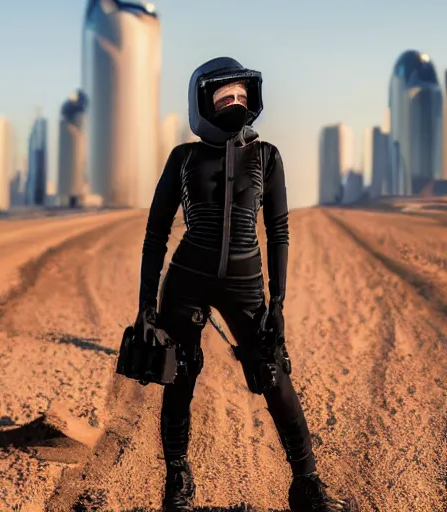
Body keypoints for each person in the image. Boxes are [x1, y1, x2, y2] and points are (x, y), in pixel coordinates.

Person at [136, 57, 353, 512]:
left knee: (274, 374)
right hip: (186, 282)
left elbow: (279, 230)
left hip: (246, 283)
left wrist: (279, 302)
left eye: (241, 96)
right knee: (180, 377)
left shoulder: (268, 155)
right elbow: (156, 233)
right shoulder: (184, 157)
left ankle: (306, 485)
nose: (235, 103)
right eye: (223, 97)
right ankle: (177, 483)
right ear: (203, 105)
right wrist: (145, 306)